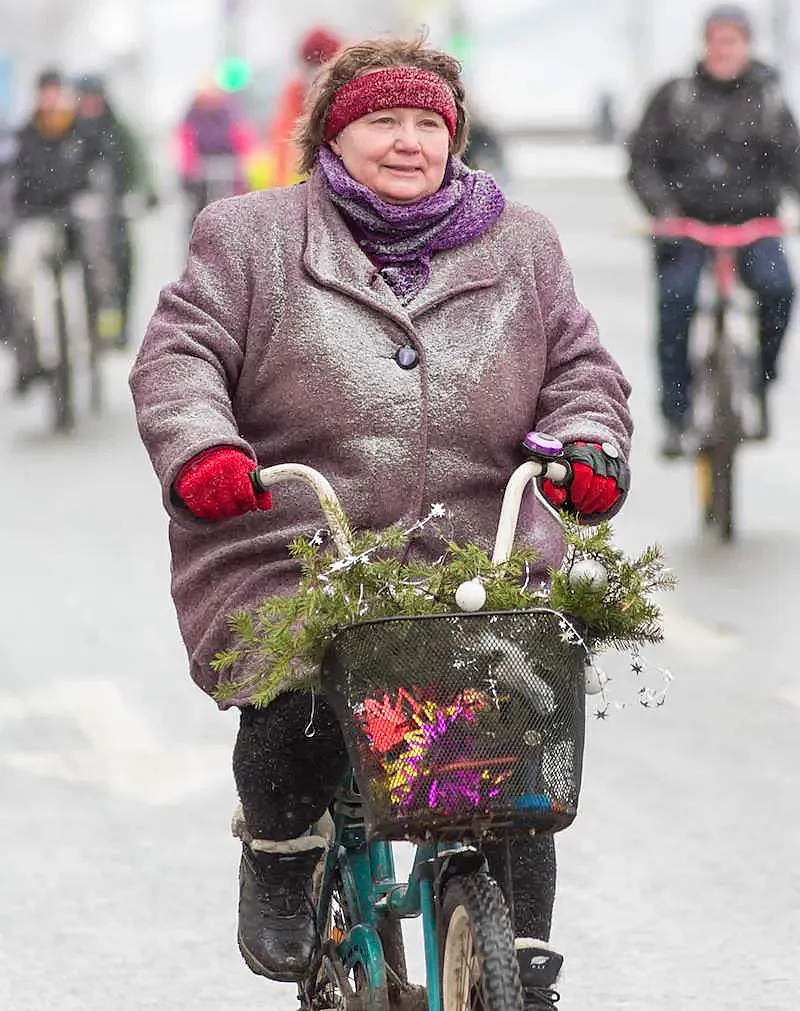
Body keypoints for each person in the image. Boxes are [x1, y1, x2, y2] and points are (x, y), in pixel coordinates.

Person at [130, 34, 632, 1009]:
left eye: (423, 125)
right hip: (293, 540)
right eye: (379, 122)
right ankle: (280, 852)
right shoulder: (250, 234)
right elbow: (179, 356)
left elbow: (580, 368)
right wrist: (204, 455)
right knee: (293, 696)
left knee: (510, 738)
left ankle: (514, 948)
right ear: (331, 134)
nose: (405, 143)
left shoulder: (520, 242)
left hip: (477, 545)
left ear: (452, 138)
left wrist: (586, 445)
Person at [627, 3, 800, 456]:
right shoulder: (674, 96)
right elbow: (642, 160)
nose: (724, 49)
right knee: (675, 303)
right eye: (716, 40)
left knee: (779, 290)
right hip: (686, 225)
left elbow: (793, 163)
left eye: (733, 40)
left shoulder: (770, 99)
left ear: (747, 44)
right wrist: (662, 208)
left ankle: (761, 380)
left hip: (753, 224)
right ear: (705, 43)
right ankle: (676, 415)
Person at [4, 68, 92, 394]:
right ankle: (29, 355)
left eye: (56, 91)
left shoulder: (80, 132)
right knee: (18, 278)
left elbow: (102, 168)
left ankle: (100, 325)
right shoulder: (26, 134)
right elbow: (13, 180)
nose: (52, 98)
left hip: (77, 222)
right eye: (46, 91)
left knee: (101, 259)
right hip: (36, 221)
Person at [74, 74, 158, 348]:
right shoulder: (71, 132)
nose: (90, 104)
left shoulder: (119, 130)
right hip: (78, 216)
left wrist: (140, 194)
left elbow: (139, 164)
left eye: (94, 97)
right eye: (85, 98)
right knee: (82, 265)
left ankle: (120, 322)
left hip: (115, 210)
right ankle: (89, 321)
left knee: (124, 260)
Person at [265, 25, 342, 187]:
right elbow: (284, 138)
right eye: (313, 64)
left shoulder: (346, 90)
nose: (315, 72)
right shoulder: (295, 92)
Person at [175, 81, 255, 223]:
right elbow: (186, 143)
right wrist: (190, 168)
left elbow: (241, 138)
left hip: (228, 169)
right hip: (203, 173)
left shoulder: (229, 116)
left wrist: (246, 162)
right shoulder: (192, 119)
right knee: (198, 207)